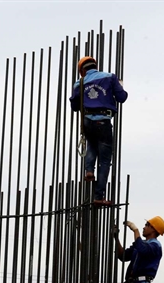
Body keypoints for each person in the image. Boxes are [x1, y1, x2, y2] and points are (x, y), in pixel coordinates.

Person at [69, 56, 128, 205]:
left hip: (87, 121)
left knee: (91, 143)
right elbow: (122, 97)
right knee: (105, 161)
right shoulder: (109, 77)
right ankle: (99, 196)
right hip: (104, 120)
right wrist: (118, 86)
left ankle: (89, 170)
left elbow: (75, 106)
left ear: (82, 70)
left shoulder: (79, 82)